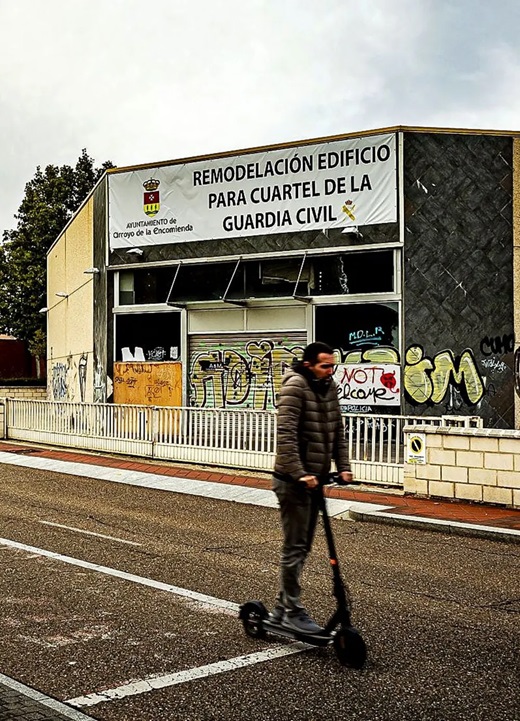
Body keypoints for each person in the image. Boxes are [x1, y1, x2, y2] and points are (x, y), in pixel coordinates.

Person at [271, 341, 353, 635]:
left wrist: (343, 466)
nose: (331, 370)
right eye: (325, 365)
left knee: (303, 547)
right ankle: (291, 611)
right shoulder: (295, 387)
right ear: (309, 365)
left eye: (333, 365)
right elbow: (286, 436)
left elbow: (337, 431)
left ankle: (281, 608)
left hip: (315, 481)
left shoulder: (328, 387)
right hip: (293, 482)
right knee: (295, 547)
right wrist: (300, 473)